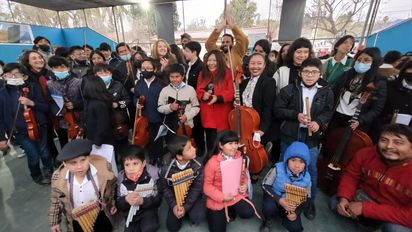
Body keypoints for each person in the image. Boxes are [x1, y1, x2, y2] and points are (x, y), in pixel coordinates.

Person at [274, 58, 334, 220]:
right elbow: (278, 110)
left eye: (314, 72)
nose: (309, 75)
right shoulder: (289, 90)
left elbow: (328, 111)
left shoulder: (326, 91)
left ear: (320, 74)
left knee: (311, 170)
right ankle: (281, 199)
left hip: (311, 138)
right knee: (284, 167)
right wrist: (296, 115)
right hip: (290, 134)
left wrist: (318, 122)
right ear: (300, 73)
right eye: (306, 72)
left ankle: (309, 202)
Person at [332, 124, 412, 231]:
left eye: (398, 142)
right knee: (335, 203)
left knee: (395, 229)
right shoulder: (366, 153)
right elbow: (351, 176)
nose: (389, 146)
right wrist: (344, 198)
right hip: (366, 196)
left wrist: (366, 209)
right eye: (384, 140)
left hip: (395, 209)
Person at [0, 63, 53, 185]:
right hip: (20, 132)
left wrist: (32, 103)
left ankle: (49, 171)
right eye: (9, 75)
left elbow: (46, 107)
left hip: (39, 126)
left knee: (44, 152)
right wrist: (2, 138)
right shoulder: (1, 94)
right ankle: (36, 174)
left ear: (24, 77)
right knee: (33, 155)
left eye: (16, 74)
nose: (13, 77)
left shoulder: (33, 88)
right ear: (4, 77)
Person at [49, 139, 117, 232]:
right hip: (76, 220)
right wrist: (54, 222)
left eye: (83, 160)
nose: (80, 166)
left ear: (89, 158)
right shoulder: (58, 178)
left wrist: (111, 204)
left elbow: (110, 189)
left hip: (100, 215)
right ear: (64, 164)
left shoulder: (102, 171)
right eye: (73, 162)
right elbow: (55, 201)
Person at [203, 130, 259, 232]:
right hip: (218, 198)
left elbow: (244, 174)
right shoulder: (212, 163)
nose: (234, 147)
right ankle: (213, 212)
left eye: (236, 143)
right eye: (230, 143)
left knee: (248, 212)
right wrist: (222, 197)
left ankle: (230, 208)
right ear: (220, 145)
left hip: (235, 194)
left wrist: (245, 185)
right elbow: (207, 187)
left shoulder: (240, 157)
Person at [330, 47, 387, 134]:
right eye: (359, 59)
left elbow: (376, 109)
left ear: (374, 63)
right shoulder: (347, 74)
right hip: (336, 117)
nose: (361, 63)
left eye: (366, 60)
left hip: (356, 122)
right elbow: (334, 90)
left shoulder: (378, 83)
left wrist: (361, 120)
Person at [239, 53, 277, 175]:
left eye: (259, 63)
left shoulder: (269, 82)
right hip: (245, 123)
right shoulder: (244, 82)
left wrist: (262, 129)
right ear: (248, 65)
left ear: (264, 65)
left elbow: (268, 108)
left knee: (257, 151)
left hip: (258, 124)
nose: (255, 66)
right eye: (252, 63)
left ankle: (255, 171)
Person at [260, 142, 311, 232]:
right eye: (293, 160)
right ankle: (267, 219)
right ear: (287, 160)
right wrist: (279, 200)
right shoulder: (277, 169)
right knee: (269, 207)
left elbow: (306, 198)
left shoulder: (307, 178)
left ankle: (284, 214)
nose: (297, 165)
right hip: (274, 198)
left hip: (291, 205)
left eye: (301, 162)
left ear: (306, 164)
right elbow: (264, 185)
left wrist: (296, 212)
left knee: (296, 228)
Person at [159, 135, 205, 232]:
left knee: (198, 217)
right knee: (172, 227)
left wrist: (186, 207)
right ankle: (182, 212)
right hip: (176, 198)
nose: (194, 149)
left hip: (193, 196)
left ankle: (187, 212)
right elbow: (165, 189)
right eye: (189, 149)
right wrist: (174, 205)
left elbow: (197, 189)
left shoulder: (198, 166)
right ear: (179, 156)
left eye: (192, 146)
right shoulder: (166, 169)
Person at [116, 145, 161, 232]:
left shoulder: (153, 175)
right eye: (127, 165)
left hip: (148, 209)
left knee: (149, 228)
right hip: (130, 212)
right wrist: (125, 199)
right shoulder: (121, 179)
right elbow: (119, 203)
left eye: (135, 164)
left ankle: (153, 221)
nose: (131, 168)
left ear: (143, 163)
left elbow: (158, 199)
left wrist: (143, 201)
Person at [196, 50, 234, 153]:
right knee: (211, 144)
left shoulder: (228, 73)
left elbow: (231, 92)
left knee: (223, 144)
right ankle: (211, 164)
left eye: (214, 60)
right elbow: (198, 90)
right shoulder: (202, 73)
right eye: (209, 60)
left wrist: (218, 98)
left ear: (220, 61)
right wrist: (203, 95)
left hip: (223, 115)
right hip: (208, 115)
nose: (211, 63)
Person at [134, 58, 165, 166]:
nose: (145, 70)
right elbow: (136, 97)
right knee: (149, 139)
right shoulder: (139, 83)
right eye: (143, 68)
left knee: (159, 138)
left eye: (148, 68)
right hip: (145, 117)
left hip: (159, 116)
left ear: (154, 69)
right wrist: (136, 103)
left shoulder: (161, 83)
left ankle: (160, 157)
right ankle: (152, 157)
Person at [47, 56, 84, 147]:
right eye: (56, 67)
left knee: (82, 144)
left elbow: (86, 99)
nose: (60, 70)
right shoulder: (49, 84)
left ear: (68, 68)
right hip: (62, 120)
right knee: (65, 145)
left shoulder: (79, 82)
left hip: (79, 117)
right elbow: (50, 102)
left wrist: (75, 104)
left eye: (62, 67)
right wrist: (57, 112)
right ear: (52, 69)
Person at [93, 63, 131, 149]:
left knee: (123, 146)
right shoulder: (92, 88)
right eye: (101, 73)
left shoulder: (118, 85)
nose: (104, 75)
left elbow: (127, 100)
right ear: (95, 75)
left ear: (111, 74)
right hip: (102, 122)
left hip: (119, 121)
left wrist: (117, 104)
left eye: (106, 73)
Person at [158, 63, 200, 137]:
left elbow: (196, 107)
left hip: (187, 127)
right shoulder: (164, 90)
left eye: (177, 76)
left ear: (183, 76)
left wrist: (187, 116)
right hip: (170, 126)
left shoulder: (190, 89)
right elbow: (159, 107)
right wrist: (170, 107)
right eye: (172, 77)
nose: (174, 79)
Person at [183, 41, 205, 156]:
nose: (184, 53)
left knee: (198, 125)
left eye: (186, 51)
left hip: (197, 102)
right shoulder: (188, 66)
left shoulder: (201, 67)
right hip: (188, 101)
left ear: (194, 52)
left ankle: (201, 148)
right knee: (191, 125)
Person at [81, 75, 114, 146]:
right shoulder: (92, 101)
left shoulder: (99, 104)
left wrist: (97, 141)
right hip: (95, 138)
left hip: (101, 141)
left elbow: (103, 125)